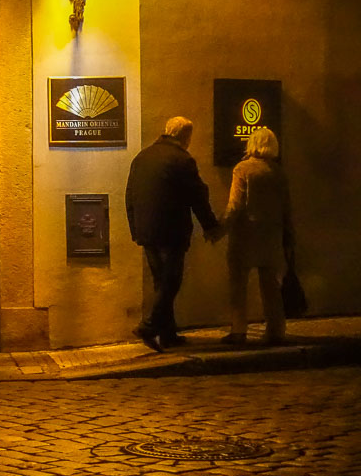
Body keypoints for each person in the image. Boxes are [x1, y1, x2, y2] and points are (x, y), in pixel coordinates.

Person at [126, 116, 221, 351]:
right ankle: (148, 326)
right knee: (171, 280)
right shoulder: (182, 160)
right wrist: (210, 225)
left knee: (162, 280)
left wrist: (135, 228)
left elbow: (130, 195)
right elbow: (197, 195)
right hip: (171, 230)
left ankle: (168, 334)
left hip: (147, 230)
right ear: (184, 136)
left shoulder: (142, 157)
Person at [220, 127, 294, 346]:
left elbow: (235, 205)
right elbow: (286, 208)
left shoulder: (243, 169)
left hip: (245, 234)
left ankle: (239, 329)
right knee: (271, 285)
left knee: (238, 283)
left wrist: (219, 228)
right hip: (271, 235)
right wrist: (289, 236)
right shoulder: (278, 172)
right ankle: (276, 330)